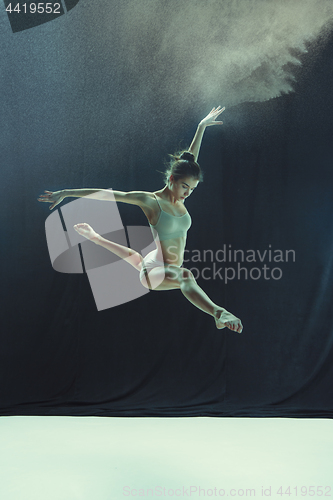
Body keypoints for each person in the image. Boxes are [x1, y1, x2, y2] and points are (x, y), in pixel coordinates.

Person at [38, 107, 243, 333]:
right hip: (153, 273)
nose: (188, 193)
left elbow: (190, 160)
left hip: (154, 263)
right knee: (186, 275)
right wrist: (67, 192)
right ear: (172, 179)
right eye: (185, 186)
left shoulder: (179, 197)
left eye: (192, 189)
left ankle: (217, 312)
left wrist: (201, 127)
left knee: (148, 263)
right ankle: (218, 313)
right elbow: (110, 195)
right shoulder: (151, 201)